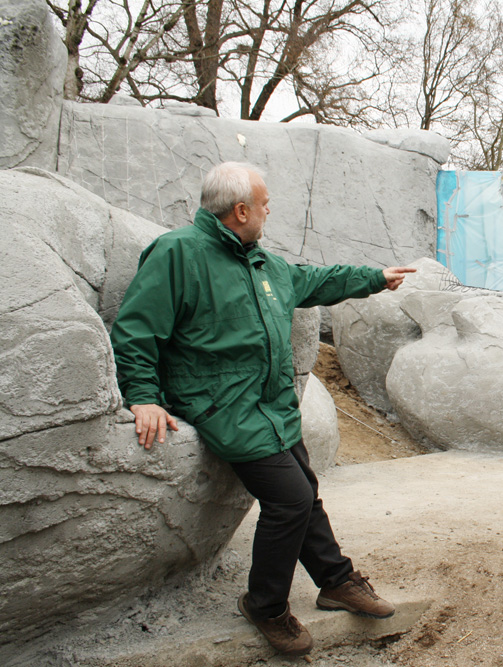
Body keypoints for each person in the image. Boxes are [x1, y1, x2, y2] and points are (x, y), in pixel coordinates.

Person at [110, 162, 416, 656]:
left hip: (270, 404)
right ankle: (265, 605)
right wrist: (143, 395)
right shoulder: (177, 253)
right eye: (265, 203)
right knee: (290, 500)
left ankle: (335, 580)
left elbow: (315, 280)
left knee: (304, 491)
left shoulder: (261, 263)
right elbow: (136, 328)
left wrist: (375, 278)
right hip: (221, 405)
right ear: (240, 210)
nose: (269, 210)